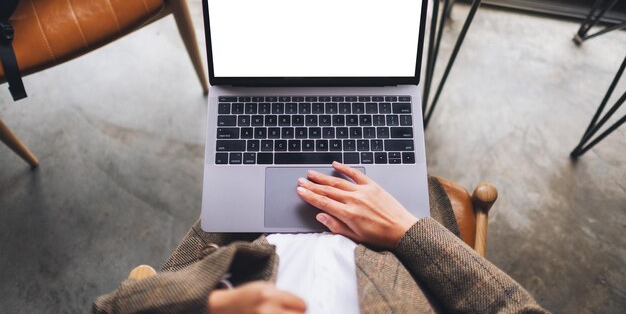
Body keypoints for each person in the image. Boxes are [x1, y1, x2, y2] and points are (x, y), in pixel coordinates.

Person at [92, 162, 550, 314]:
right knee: (409, 174)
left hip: (245, 247)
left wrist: (200, 302)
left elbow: (111, 307)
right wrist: (409, 232)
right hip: (394, 244)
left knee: (236, 179)